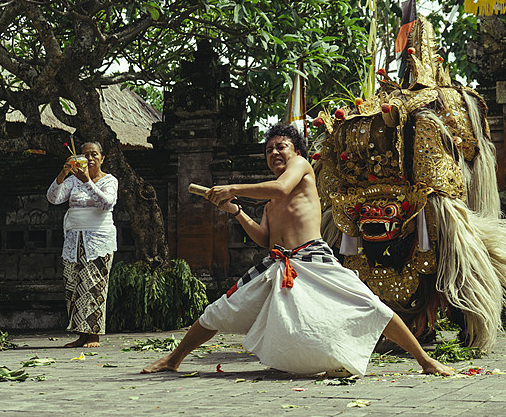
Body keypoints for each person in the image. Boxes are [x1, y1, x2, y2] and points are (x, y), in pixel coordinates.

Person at [142, 124, 452, 376]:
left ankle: (425, 361)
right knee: (218, 310)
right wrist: (236, 212)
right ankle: (174, 359)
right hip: (278, 264)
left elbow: (279, 187)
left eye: (281, 147)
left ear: (297, 152)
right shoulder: (271, 200)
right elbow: (265, 238)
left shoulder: (300, 169)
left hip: (313, 258)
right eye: (269, 149)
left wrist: (232, 188)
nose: (274, 152)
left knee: (371, 306)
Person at [46, 141, 118, 348]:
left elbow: (107, 203)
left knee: (94, 286)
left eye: (94, 154)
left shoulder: (109, 180)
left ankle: (93, 335)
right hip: (73, 240)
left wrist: (87, 180)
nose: (90, 158)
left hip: (98, 241)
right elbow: (53, 198)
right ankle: (81, 334)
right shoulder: (73, 181)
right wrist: (64, 173)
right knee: (74, 286)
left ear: (102, 158)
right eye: (85, 155)